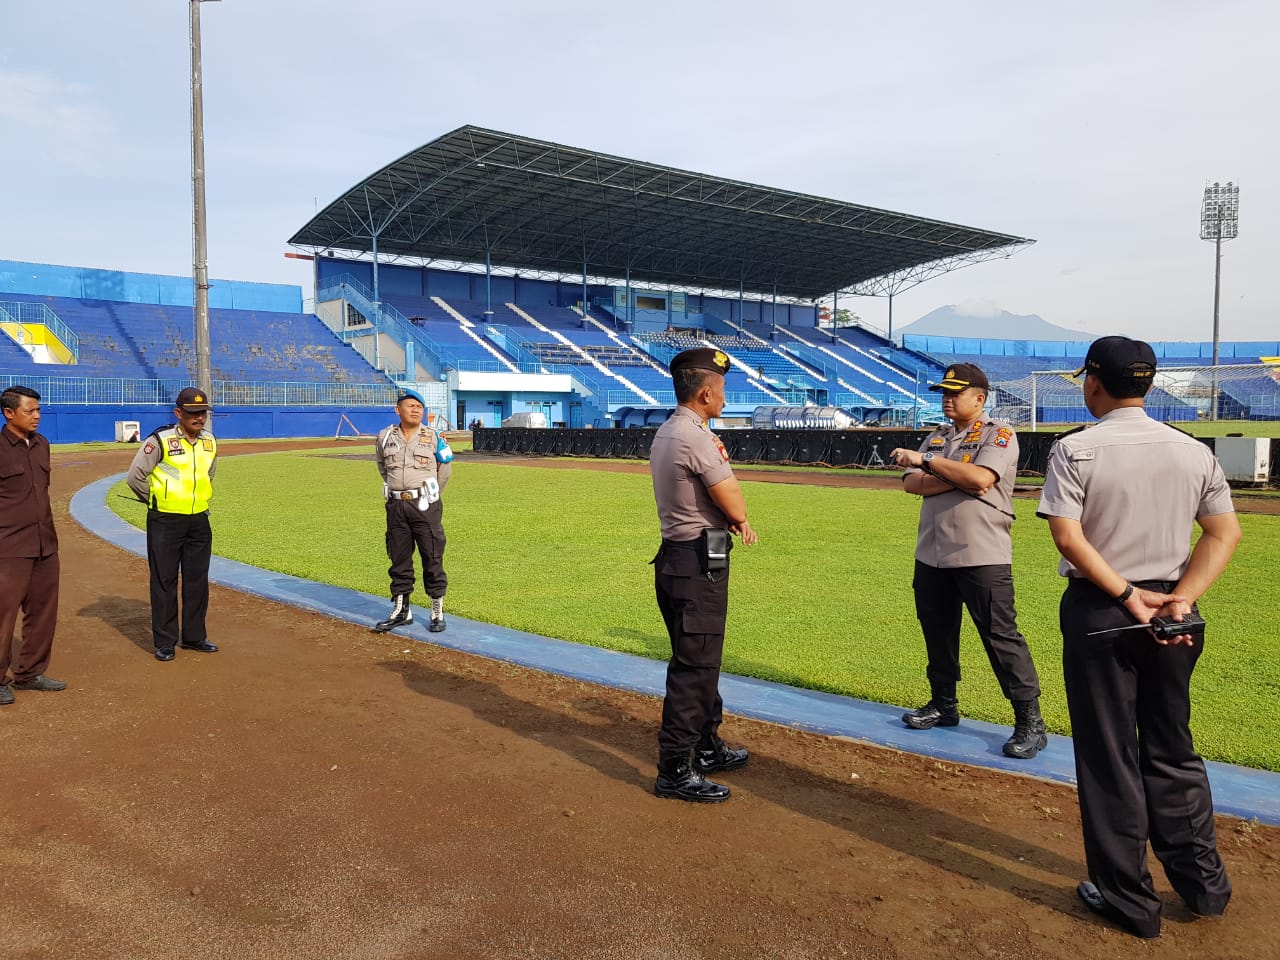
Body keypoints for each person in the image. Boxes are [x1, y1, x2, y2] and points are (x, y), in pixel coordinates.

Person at [1037, 336, 1241, 939]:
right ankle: (1204, 888)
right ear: (1147, 385)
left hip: (1107, 609)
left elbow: (1070, 540)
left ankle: (1129, 901)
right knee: (1172, 746)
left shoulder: (1077, 450)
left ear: (1092, 382)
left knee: (1109, 755)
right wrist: (1182, 598)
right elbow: (1223, 535)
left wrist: (1127, 596)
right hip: (1176, 614)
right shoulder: (1191, 450)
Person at [889, 363, 1047, 759]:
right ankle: (944, 703)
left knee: (1000, 637)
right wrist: (950, 472)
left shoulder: (999, 434)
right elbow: (910, 484)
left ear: (980, 398)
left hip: (982, 554)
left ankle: (1030, 721)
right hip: (932, 553)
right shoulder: (938, 436)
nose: (946, 398)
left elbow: (981, 480)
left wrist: (927, 464)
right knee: (937, 633)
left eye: (954, 392)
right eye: (943, 391)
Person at [649, 348, 759, 803]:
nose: (725, 397)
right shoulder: (694, 436)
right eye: (723, 389)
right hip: (697, 560)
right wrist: (739, 516)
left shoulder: (672, 429)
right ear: (706, 392)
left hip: (686, 557)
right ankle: (676, 767)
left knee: (701, 658)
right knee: (695, 665)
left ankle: (706, 744)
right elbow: (731, 500)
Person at [126, 387, 219, 662]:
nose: (198, 418)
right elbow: (135, 477)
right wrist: (157, 501)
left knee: (197, 580)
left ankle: (194, 636)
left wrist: (196, 499)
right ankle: (165, 641)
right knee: (164, 580)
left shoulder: (210, 442)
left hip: (199, 519)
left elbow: (209, 474)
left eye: (202, 413)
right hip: (165, 520)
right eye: (192, 413)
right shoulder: (160, 440)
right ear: (179, 413)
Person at [0, 386, 66, 704]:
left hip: (45, 544)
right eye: (30, 411)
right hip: (8, 546)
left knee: (43, 611)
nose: (37, 416)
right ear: (9, 413)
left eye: (38, 410)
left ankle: (29, 673)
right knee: (3, 614)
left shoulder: (42, 445)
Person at [373, 388, 454, 634]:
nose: (416, 410)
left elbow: (445, 469)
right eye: (410, 406)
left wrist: (431, 495)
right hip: (397, 505)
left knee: (432, 555)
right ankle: (402, 610)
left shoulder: (433, 436)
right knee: (398, 557)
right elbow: (382, 466)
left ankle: (436, 609)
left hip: (425, 504)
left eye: (419, 407)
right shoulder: (386, 437)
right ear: (398, 410)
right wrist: (399, 489)